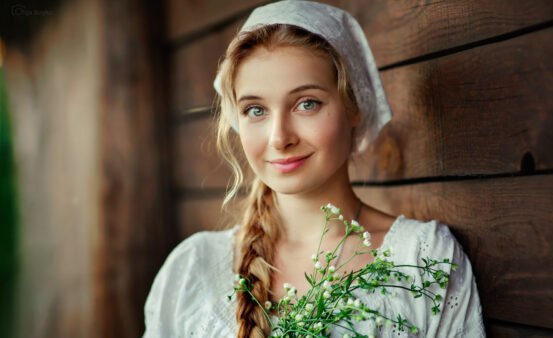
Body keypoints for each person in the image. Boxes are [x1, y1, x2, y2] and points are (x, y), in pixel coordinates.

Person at [142, 1, 485, 337]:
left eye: (307, 104)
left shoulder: (423, 259)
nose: (279, 138)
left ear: (354, 107)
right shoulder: (193, 269)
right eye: (255, 110)